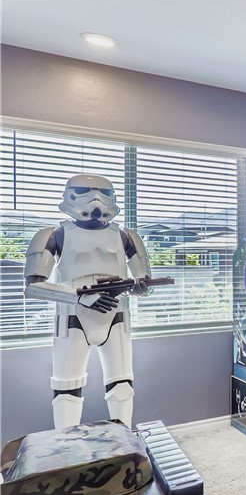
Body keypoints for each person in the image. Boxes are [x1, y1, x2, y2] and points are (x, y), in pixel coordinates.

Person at [23, 174, 155, 429]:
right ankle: (66, 450)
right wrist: (81, 297)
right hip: (72, 316)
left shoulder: (126, 237)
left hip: (115, 315)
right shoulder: (55, 235)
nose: (96, 199)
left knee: (122, 384)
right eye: (86, 191)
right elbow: (33, 286)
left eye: (104, 193)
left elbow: (143, 283)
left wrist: (139, 288)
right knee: (66, 387)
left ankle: (125, 442)